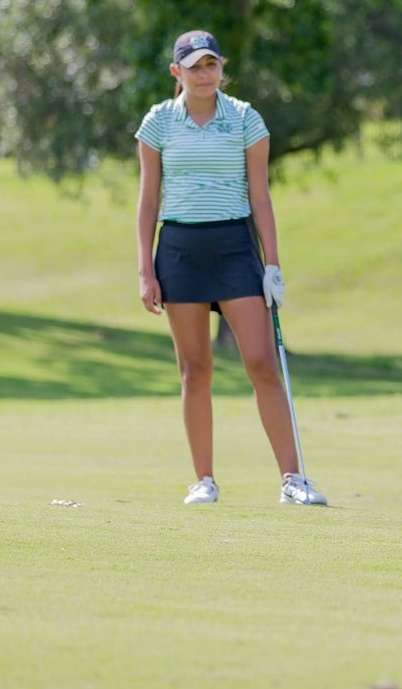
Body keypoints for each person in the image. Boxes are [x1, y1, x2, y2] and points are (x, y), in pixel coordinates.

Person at [135, 29, 325, 507]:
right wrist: (145, 269)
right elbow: (148, 200)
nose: (204, 74)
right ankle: (204, 480)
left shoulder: (245, 119)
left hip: (235, 246)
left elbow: (260, 196)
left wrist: (273, 265)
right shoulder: (157, 123)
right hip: (179, 249)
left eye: (211, 65)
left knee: (261, 362)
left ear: (221, 68)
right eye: (194, 66)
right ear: (176, 72)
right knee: (194, 370)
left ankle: (292, 478)